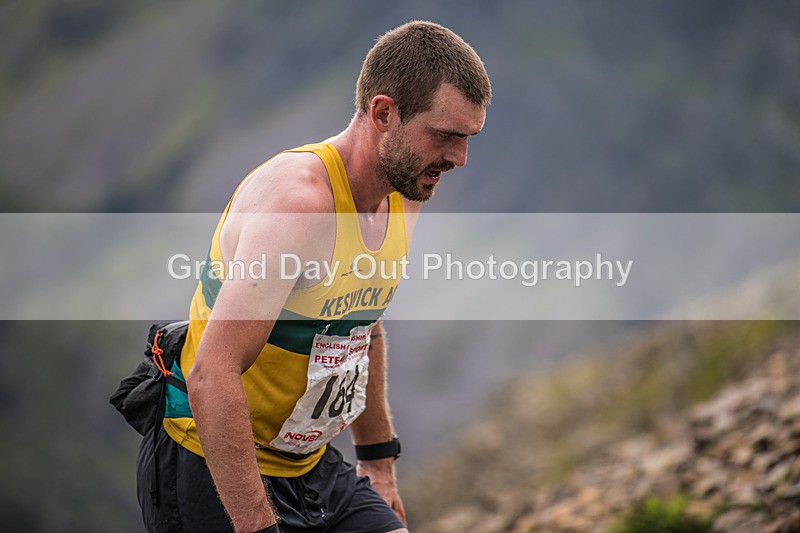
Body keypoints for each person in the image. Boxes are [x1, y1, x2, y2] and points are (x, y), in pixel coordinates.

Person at [137, 20, 491, 533]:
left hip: (307, 465)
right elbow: (212, 375)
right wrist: (258, 526)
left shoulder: (405, 190)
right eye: (445, 136)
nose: (459, 158)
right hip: (209, 462)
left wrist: (377, 462)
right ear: (384, 113)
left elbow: (360, 330)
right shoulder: (298, 206)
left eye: (468, 138)